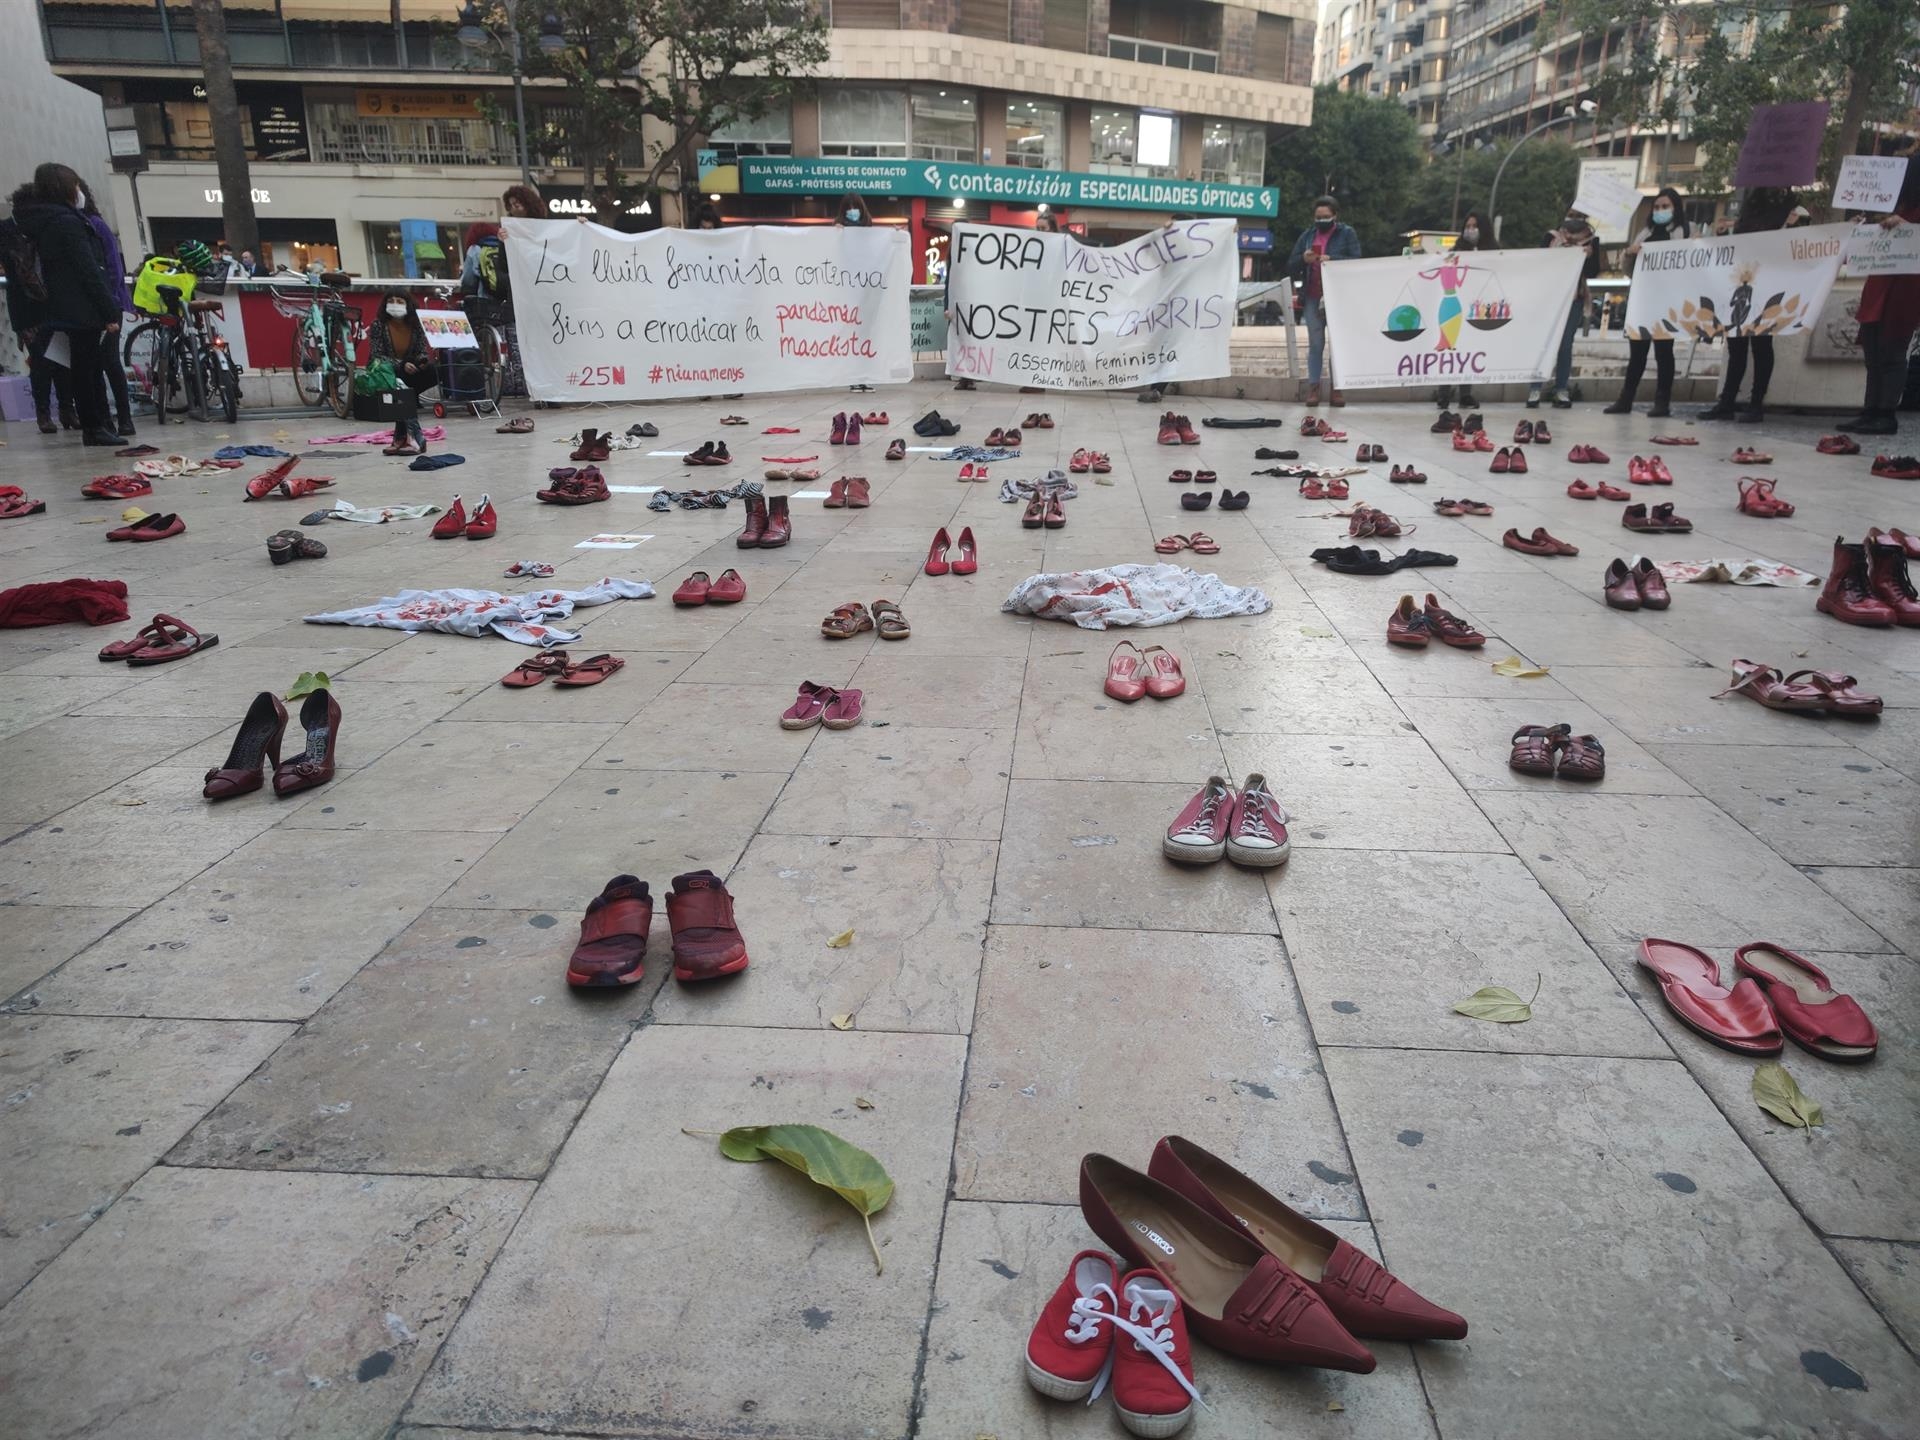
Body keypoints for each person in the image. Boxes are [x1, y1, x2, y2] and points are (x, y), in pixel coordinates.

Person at [12, 162, 124, 445]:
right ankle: (95, 426)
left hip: (58, 306)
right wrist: (109, 310)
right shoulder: (67, 223)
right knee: (88, 369)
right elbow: (88, 269)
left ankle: (93, 424)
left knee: (78, 369)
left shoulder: (40, 222)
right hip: (81, 307)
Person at [1701, 188, 1793, 423]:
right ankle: (1735, 402)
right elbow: (1729, 257)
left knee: (1756, 348)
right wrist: (1722, 237)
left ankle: (1746, 402)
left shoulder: (1782, 222)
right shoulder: (1753, 225)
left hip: (1762, 293)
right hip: (1745, 294)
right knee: (1740, 348)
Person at [1843, 161, 1920, 436]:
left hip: (1904, 289)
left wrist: (1907, 223)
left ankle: (1886, 413)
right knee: (1873, 353)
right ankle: (1870, 411)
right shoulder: (1895, 212)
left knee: (1892, 353)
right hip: (1880, 284)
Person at [1, 179, 78, 433]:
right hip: (27, 305)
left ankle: (68, 408)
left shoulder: (44, 227)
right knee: (41, 361)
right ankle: (44, 413)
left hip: (51, 302)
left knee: (62, 359)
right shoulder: (7, 230)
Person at [1609, 187, 1690, 418]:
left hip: (1668, 301)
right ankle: (1626, 399)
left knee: (1664, 352)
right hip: (1643, 299)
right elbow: (1629, 270)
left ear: (1675, 208)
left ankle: (1662, 401)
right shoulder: (1645, 232)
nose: (1660, 211)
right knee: (1637, 352)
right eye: (1657, 207)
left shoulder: (1684, 231)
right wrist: (1629, 253)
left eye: (1665, 206)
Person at [1286, 196, 1360, 407]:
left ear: (1335, 216)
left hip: (1338, 298)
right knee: (1315, 344)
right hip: (1312, 296)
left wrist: (1332, 260)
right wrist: (1303, 259)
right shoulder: (1307, 237)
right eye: (1318, 217)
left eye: (1326, 217)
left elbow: (1357, 260)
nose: (1322, 220)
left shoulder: (1347, 234)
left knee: (1337, 344)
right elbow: (1290, 264)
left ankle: (1337, 389)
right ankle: (1314, 388)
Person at [1526, 210, 1599, 409]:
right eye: (1571, 214)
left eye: (1578, 216)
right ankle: (1535, 388)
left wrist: (1589, 257)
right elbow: (1540, 263)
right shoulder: (1551, 238)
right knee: (1544, 342)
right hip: (1550, 298)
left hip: (1575, 299)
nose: (1574, 219)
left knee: (1565, 345)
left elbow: (1593, 271)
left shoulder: (1592, 241)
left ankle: (1561, 389)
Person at [78, 188, 134, 436]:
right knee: (93, 365)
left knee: (109, 361)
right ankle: (105, 419)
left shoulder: (96, 226)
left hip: (107, 302)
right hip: (90, 304)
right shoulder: (82, 225)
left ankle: (123, 418)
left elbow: (113, 266)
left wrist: (111, 300)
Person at [1436, 210, 1494, 411]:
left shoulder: (1493, 252)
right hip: (1457, 304)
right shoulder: (1457, 251)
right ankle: (1443, 393)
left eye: (1474, 226)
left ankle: (1465, 394)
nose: (1470, 230)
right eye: (1467, 227)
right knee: (1452, 347)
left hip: (1477, 308)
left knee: (1469, 349)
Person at [368, 288, 434, 455]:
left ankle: (400, 436)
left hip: (410, 369)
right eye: (391, 301)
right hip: (387, 371)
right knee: (402, 388)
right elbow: (377, 357)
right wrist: (401, 364)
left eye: (400, 301)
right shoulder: (378, 325)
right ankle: (415, 438)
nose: (395, 305)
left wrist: (422, 361)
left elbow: (421, 350)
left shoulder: (415, 324)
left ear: (408, 305)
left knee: (434, 371)